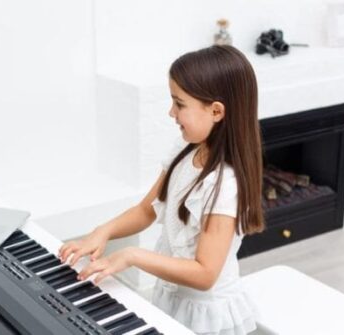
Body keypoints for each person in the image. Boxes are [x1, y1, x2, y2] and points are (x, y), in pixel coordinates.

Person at [58, 45, 264, 334]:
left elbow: (205, 273)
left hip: (206, 316)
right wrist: (101, 231)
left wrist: (132, 255)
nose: (171, 112)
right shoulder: (186, 149)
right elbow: (146, 210)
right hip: (171, 296)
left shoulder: (225, 185)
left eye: (179, 104)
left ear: (216, 111)